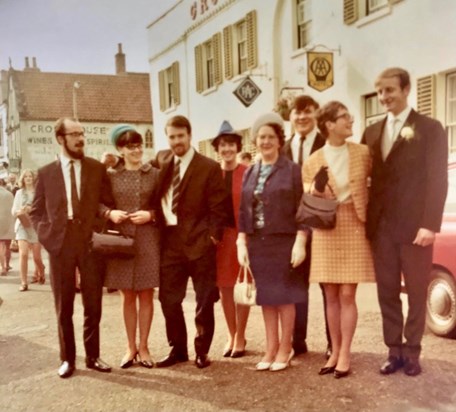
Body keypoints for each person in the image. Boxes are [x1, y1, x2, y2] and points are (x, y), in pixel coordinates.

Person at [362, 68, 448, 377]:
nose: (384, 97)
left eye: (390, 90)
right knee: (386, 291)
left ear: (406, 89)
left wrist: (430, 224)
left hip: (415, 229)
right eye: (380, 91)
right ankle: (393, 350)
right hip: (382, 228)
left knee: (414, 290)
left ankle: (412, 352)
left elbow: (438, 180)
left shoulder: (430, 128)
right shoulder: (371, 132)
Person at [30, 117, 115, 379]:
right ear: (61, 139)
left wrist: (98, 233)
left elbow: (106, 203)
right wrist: (49, 238)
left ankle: (93, 356)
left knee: (93, 303)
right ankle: (67, 359)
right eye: (74, 134)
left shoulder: (96, 169)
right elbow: (36, 212)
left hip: (89, 241)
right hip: (61, 243)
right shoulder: (46, 173)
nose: (80, 139)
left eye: (82, 133)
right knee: (63, 305)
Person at [303, 101, 375, 379]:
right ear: (329, 125)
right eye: (345, 117)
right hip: (325, 226)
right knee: (330, 295)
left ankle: (345, 351)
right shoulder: (313, 160)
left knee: (347, 293)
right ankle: (333, 350)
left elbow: (377, 184)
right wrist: (316, 188)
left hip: (355, 223)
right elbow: (307, 197)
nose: (351, 121)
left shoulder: (363, 153)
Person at [155, 115, 227, 369]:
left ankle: (201, 350)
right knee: (168, 299)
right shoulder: (161, 161)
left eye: (180, 136)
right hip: (170, 241)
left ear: (189, 135)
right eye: (172, 137)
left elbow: (218, 207)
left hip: (199, 242)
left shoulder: (207, 166)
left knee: (204, 299)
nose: (177, 141)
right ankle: (178, 349)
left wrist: (212, 237)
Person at [237, 112, 307, 372]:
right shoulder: (250, 172)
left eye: (270, 137)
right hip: (258, 242)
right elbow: (243, 210)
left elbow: (302, 207)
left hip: (284, 240)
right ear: (255, 140)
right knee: (266, 297)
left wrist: (301, 240)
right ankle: (270, 346)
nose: (265, 141)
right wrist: (241, 241)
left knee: (285, 296)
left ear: (279, 140)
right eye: (261, 137)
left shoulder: (292, 170)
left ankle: (285, 348)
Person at [103, 124, 160, 369]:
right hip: (121, 238)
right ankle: (130, 347)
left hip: (148, 239)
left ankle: (145, 346)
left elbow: (168, 205)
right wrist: (109, 212)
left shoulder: (154, 173)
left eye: (139, 145)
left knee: (147, 293)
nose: (137, 150)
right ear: (120, 149)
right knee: (127, 295)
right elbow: (96, 202)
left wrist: (151, 215)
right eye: (130, 146)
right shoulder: (111, 175)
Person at [281, 94, 331, 358]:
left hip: (323, 226)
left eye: (307, 112)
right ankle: (297, 341)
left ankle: (333, 342)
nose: (301, 117)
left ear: (316, 114)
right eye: (296, 112)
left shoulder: (327, 145)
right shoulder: (284, 147)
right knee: (295, 285)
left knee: (327, 286)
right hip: (292, 228)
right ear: (290, 116)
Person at [211, 121, 250, 358]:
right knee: (225, 288)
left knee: (242, 286)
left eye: (231, 144)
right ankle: (231, 333)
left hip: (242, 236)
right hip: (220, 238)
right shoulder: (212, 173)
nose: (227, 149)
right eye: (223, 145)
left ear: (237, 147)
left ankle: (242, 335)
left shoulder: (247, 172)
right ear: (217, 148)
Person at [11, 169, 46, 290]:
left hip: (35, 226)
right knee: (24, 254)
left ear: (34, 178)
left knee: (36, 257)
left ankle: (41, 269)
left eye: (30, 176)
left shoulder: (39, 193)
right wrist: (20, 210)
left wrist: (32, 209)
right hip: (22, 225)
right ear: (23, 179)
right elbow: (13, 211)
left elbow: (44, 211)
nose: (28, 179)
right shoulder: (19, 193)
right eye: (26, 177)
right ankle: (23, 282)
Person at [0, 180, 15, 276]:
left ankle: (3, 267)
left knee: (0, 245)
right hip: (8, 222)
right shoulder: (9, 194)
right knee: (7, 246)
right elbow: (13, 209)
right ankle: (7, 264)